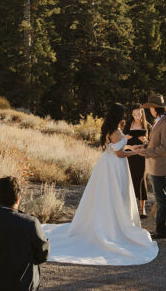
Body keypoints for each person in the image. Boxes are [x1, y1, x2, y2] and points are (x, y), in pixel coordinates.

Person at [44, 103, 158, 264]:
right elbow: (119, 153)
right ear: (119, 115)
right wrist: (136, 152)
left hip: (106, 164)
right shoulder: (117, 131)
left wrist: (133, 146)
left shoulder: (109, 129)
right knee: (116, 195)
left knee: (104, 194)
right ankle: (114, 225)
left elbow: (116, 147)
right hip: (116, 166)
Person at [137, 94, 166, 240]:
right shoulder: (160, 120)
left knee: (161, 199)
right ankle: (160, 229)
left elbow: (165, 148)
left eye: (150, 107)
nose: (149, 110)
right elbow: (156, 143)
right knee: (160, 198)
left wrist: (146, 152)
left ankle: (163, 231)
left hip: (160, 166)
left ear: (155, 108)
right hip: (154, 165)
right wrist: (146, 145)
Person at [126, 106, 151, 218]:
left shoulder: (148, 126)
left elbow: (151, 144)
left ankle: (142, 208)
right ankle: (130, 208)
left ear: (142, 114)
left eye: (139, 114)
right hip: (129, 155)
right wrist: (126, 138)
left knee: (141, 179)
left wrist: (145, 141)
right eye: (135, 114)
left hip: (141, 155)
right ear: (131, 114)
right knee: (129, 178)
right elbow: (119, 142)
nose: (137, 117)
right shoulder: (126, 126)